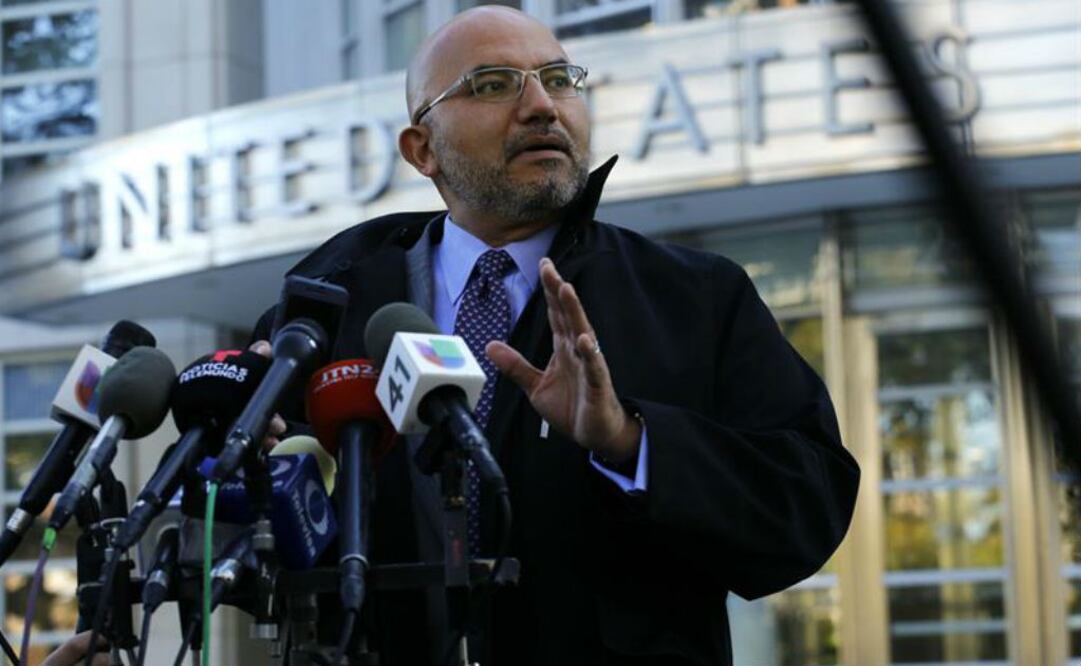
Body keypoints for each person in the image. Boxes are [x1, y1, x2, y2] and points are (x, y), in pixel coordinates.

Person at [244, 6, 859, 665]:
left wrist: (628, 442)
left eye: (559, 79)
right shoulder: (333, 294)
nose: (542, 105)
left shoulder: (692, 295)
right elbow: (237, 504)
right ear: (421, 149)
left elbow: (805, 504)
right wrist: (243, 453)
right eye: (492, 84)